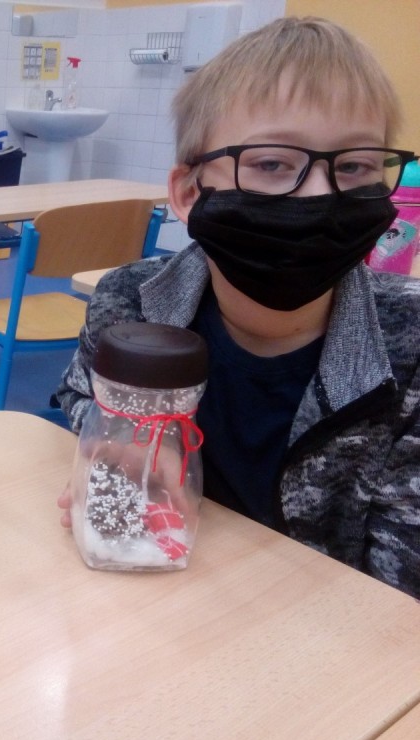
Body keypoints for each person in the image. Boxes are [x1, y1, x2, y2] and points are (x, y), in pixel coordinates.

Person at [55, 17, 420, 599]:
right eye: (272, 164)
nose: (322, 194)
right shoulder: (130, 303)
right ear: (188, 193)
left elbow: (398, 596)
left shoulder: (410, 346)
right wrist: (126, 443)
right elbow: (81, 395)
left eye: (354, 166)